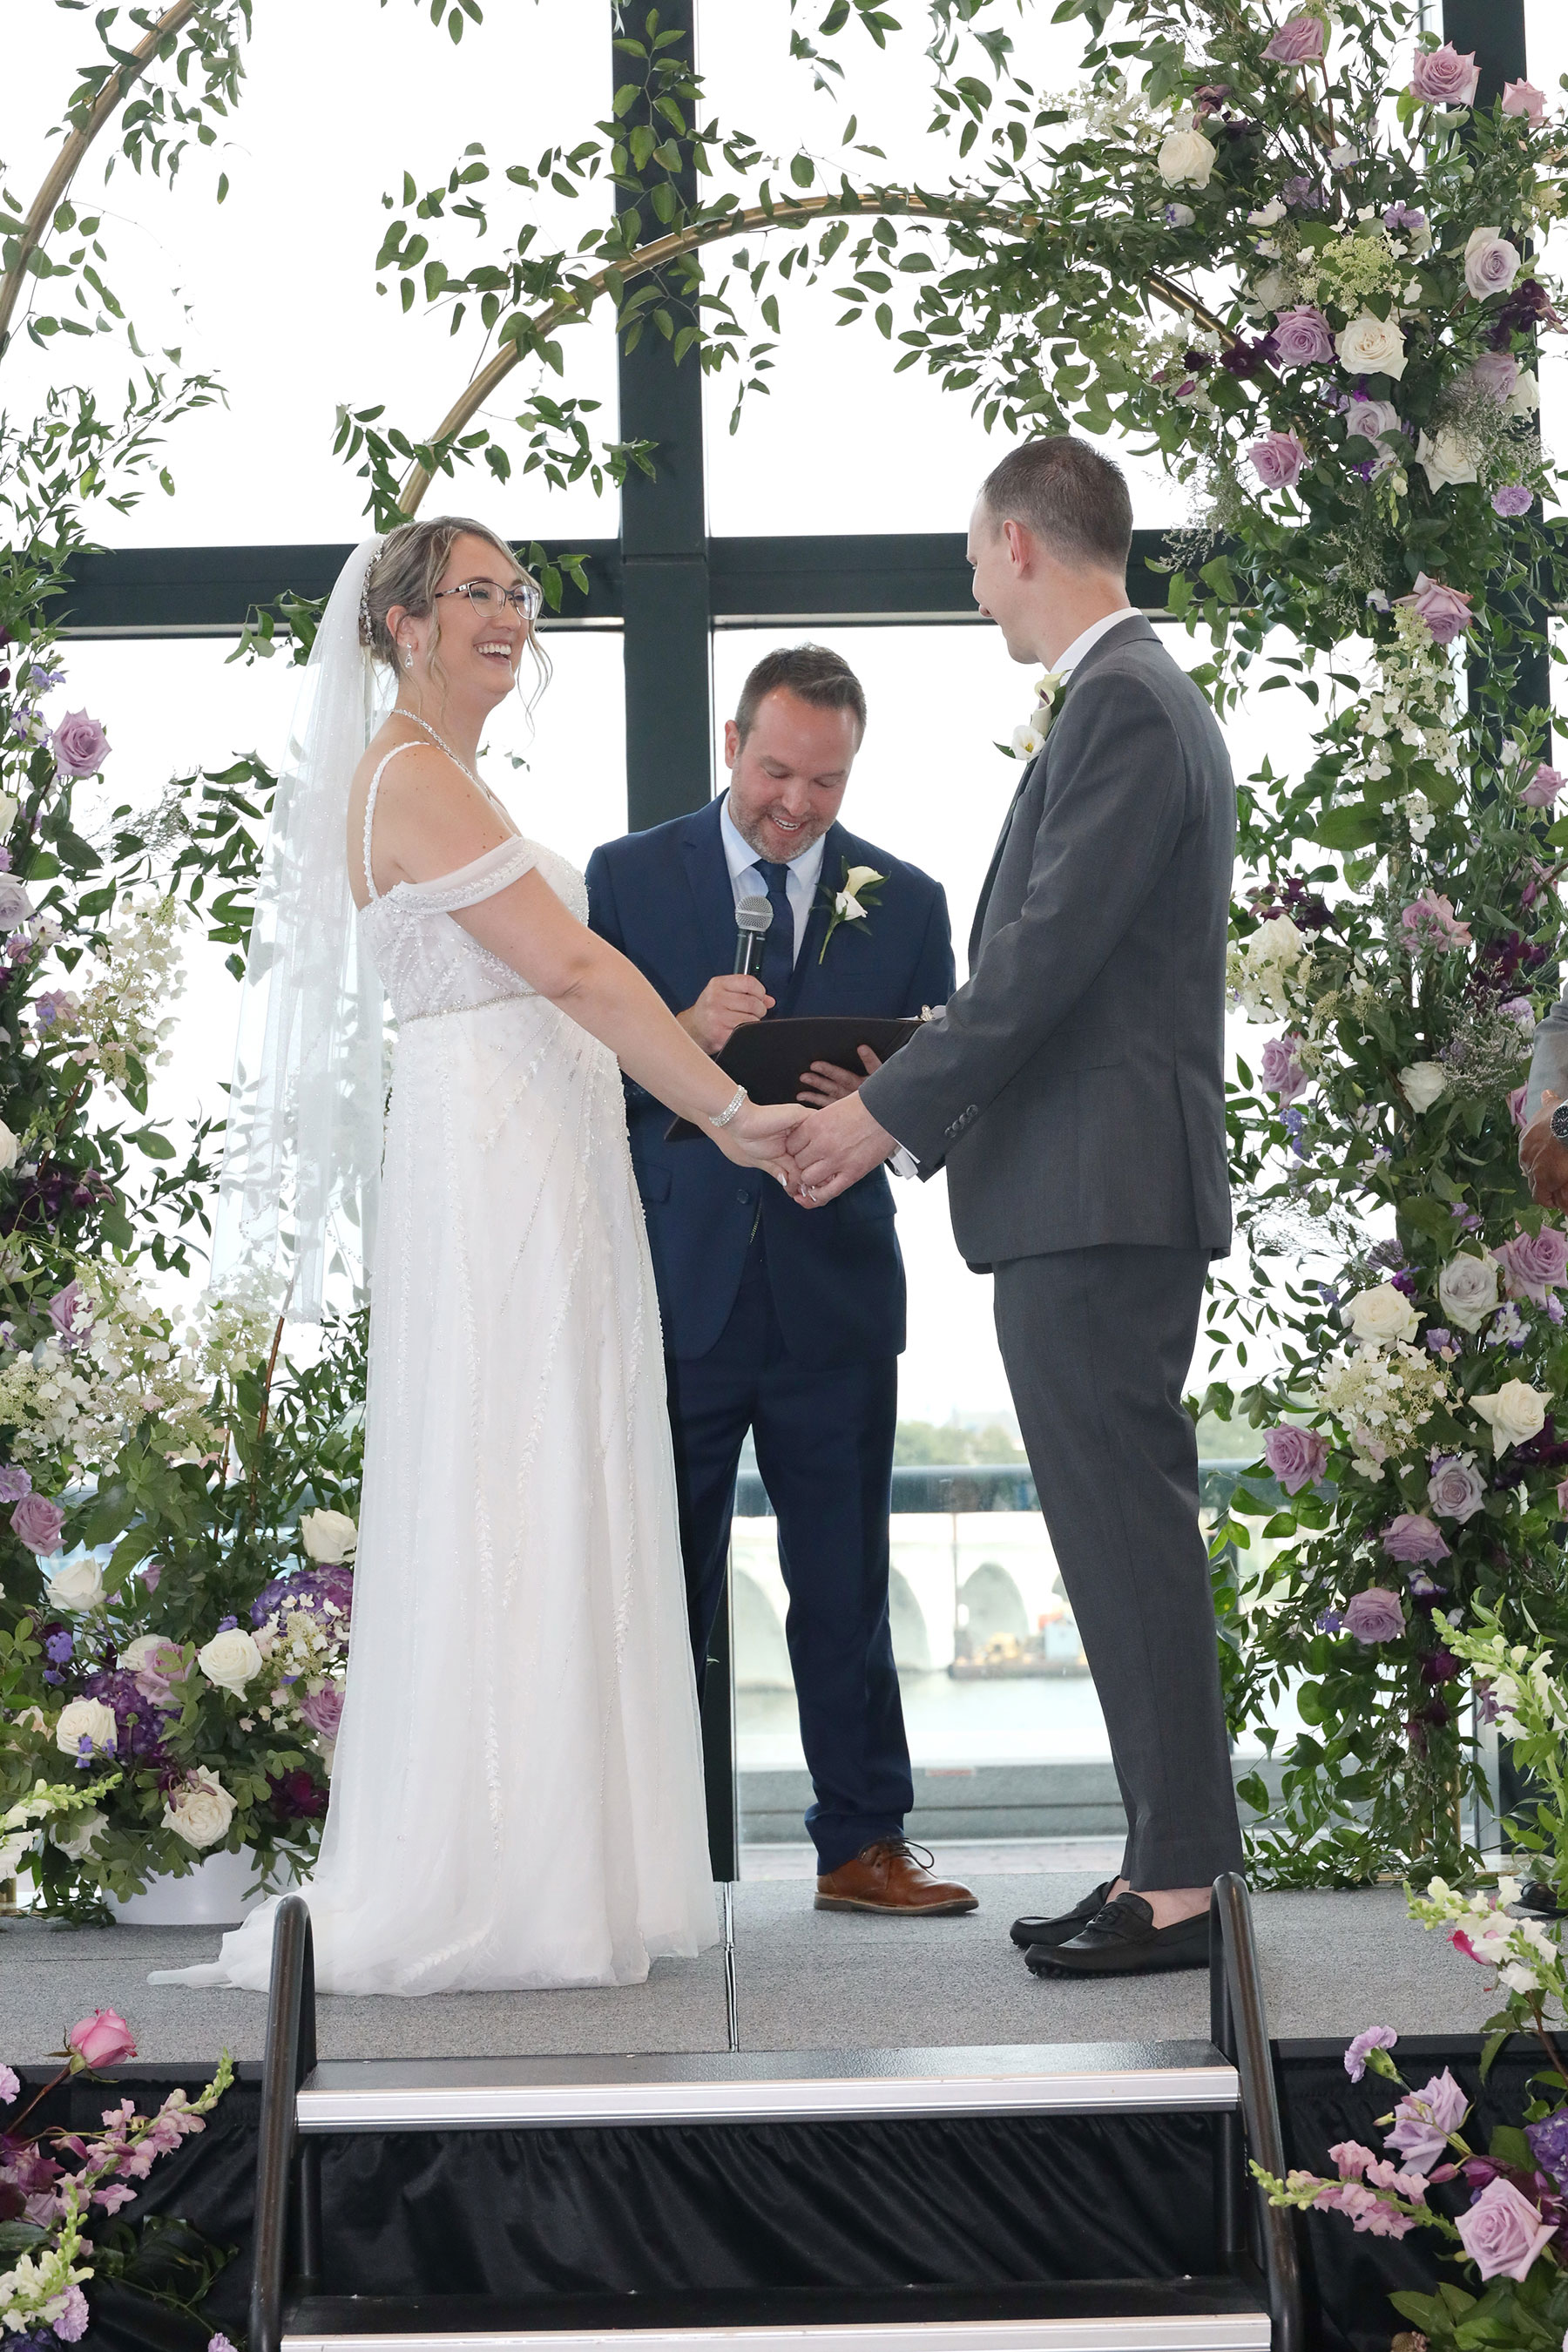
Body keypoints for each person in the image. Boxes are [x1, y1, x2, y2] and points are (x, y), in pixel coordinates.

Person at [152, 519, 802, 1996]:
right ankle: (501, 1870)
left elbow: (546, 993)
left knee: (555, 1463)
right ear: (397, 623)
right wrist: (731, 1112)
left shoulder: (445, 777)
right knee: (509, 1471)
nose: (511, 614)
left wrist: (680, 1037)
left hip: (539, 1157)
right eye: (478, 593)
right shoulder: (410, 777)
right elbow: (569, 966)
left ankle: (573, 1857)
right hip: (496, 1177)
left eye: (519, 593)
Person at [791, 438, 1244, 1976]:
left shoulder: (1123, 702)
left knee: (1126, 1535)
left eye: (976, 555)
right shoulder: (1138, 700)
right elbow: (1067, 974)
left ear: (1020, 543)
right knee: (1123, 1533)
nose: (973, 584)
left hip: (1098, 1198)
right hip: (1095, 1191)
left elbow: (1043, 968)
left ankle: (1178, 1884)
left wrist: (879, 1117)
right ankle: (1163, 1864)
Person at [585, 646, 975, 1914]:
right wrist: (681, 1041)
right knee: (658, 1580)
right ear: (732, 743)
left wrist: (882, 1104)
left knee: (848, 1583)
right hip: (676, 1286)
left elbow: (949, 1090)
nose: (797, 802)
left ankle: (863, 1844)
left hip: (836, 1289)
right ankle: (647, 1855)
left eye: (826, 780)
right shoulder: (629, 879)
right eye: (776, 771)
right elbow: (579, 1080)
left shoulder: (909, 899)